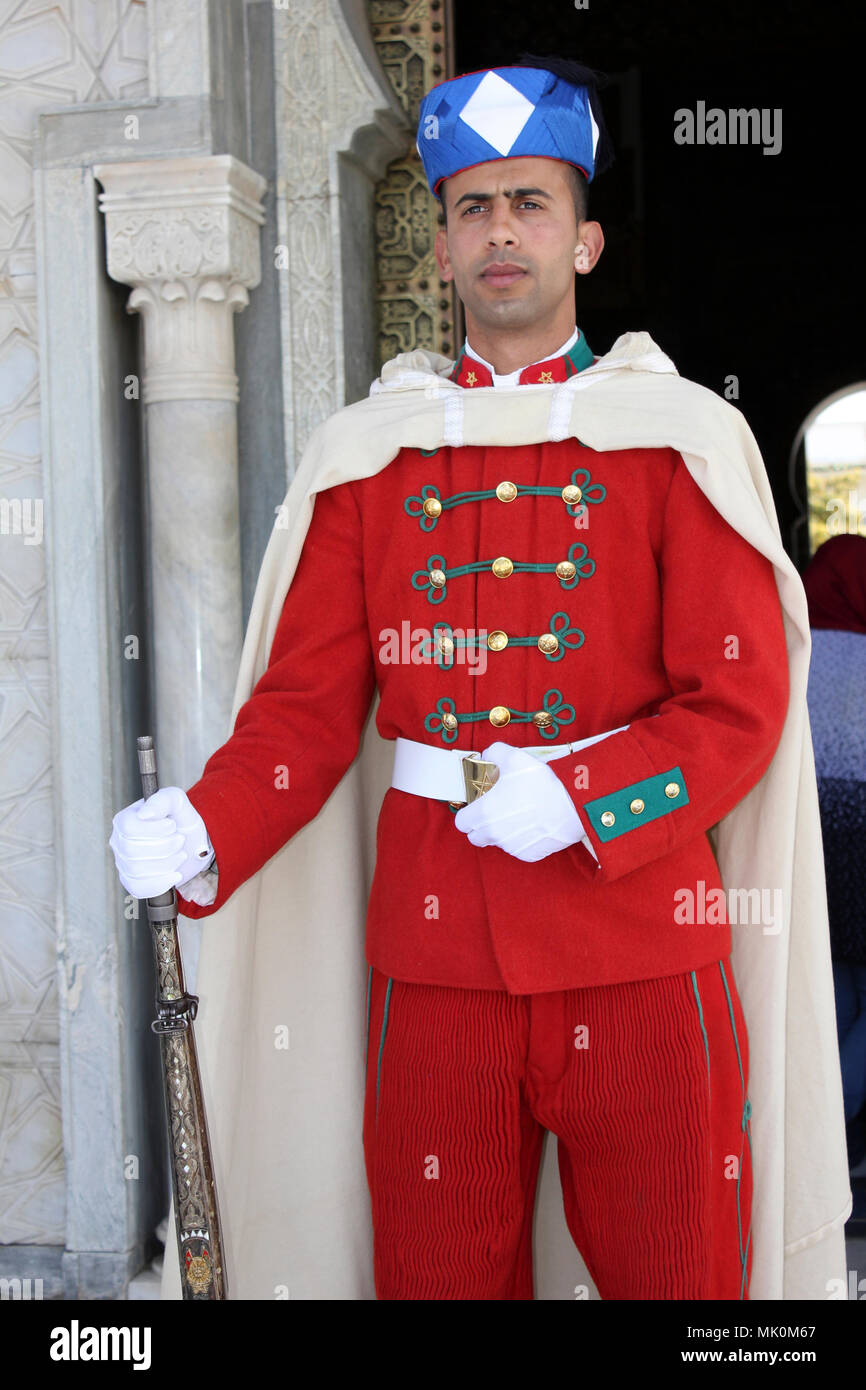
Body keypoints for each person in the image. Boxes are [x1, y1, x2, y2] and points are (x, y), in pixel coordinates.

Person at [109, 57, 850, 1300]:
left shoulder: (679, 437)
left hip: (640, 955)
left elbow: (735, 703)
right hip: (434, 964)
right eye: (471, 207)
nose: (500, 230)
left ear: (586, 238)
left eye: (529, 203)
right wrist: (206, 821)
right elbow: (304, 709)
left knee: (681, 1292)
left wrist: (583, 797)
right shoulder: (369, 454)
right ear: (440, 249)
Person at [802, 533, 866, 1183]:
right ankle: (835, 1125)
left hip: (815, 848)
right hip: (863, 845)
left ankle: (828, 1131)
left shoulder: (794, 655)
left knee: (836, 995)